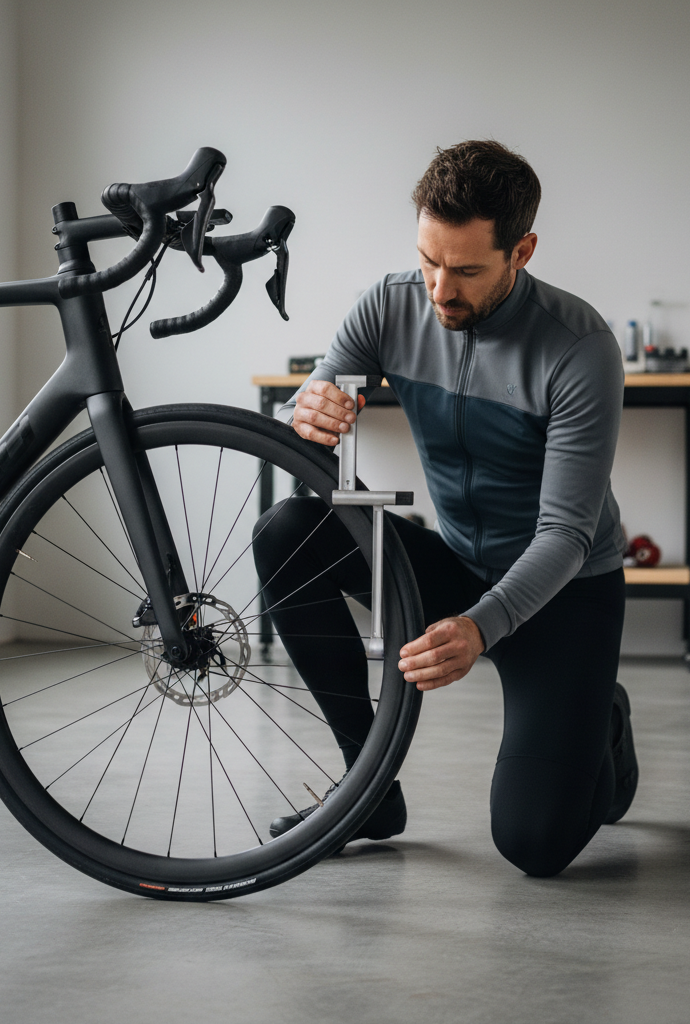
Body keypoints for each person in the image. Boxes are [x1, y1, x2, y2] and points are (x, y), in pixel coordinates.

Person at [253, 140, 638, 877]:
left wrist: (478, 628)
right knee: (287, 533)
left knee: (535, 846)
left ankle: (604, 723)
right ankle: (366, 790)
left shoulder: (578, 346)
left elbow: (564, 534)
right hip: (457, 563)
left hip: (567, 593)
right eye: (429, 259)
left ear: (520, 251)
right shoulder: (390, 305)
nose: (439, 288)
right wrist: (316, 409)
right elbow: (320, 406)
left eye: (466, 270)